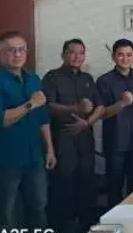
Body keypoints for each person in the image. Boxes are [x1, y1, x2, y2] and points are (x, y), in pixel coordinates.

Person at [0, 31, 56, 229]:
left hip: (34, 156)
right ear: (0, 54)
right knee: (6, 213)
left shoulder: (33, 79)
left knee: (39, 206)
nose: (17, 54)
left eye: (21, 50)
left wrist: (50, 149)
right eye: (11, 50)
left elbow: (42, 118)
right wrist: (30, 104)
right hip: (6, 159)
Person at [42, 39, 103, 233]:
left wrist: (87, 122)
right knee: (63, 185)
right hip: (62, 138)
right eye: (72, 52)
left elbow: (99, 106)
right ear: (63, 55)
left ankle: (88, 225)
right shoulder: (52, 77)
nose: (77, 56)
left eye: (81, 53)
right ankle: (62, 226)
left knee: (87, 183)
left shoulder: (87, 78)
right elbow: (48, 106)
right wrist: (76, 108)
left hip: (85, 138)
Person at [96, 39, 133, 207]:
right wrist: (121, 103)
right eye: (120, 55)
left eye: (129, 55)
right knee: (114, 187)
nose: (125, 58)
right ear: (113, 57)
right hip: (115, 142)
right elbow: (102, 114)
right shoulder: (104, 81)